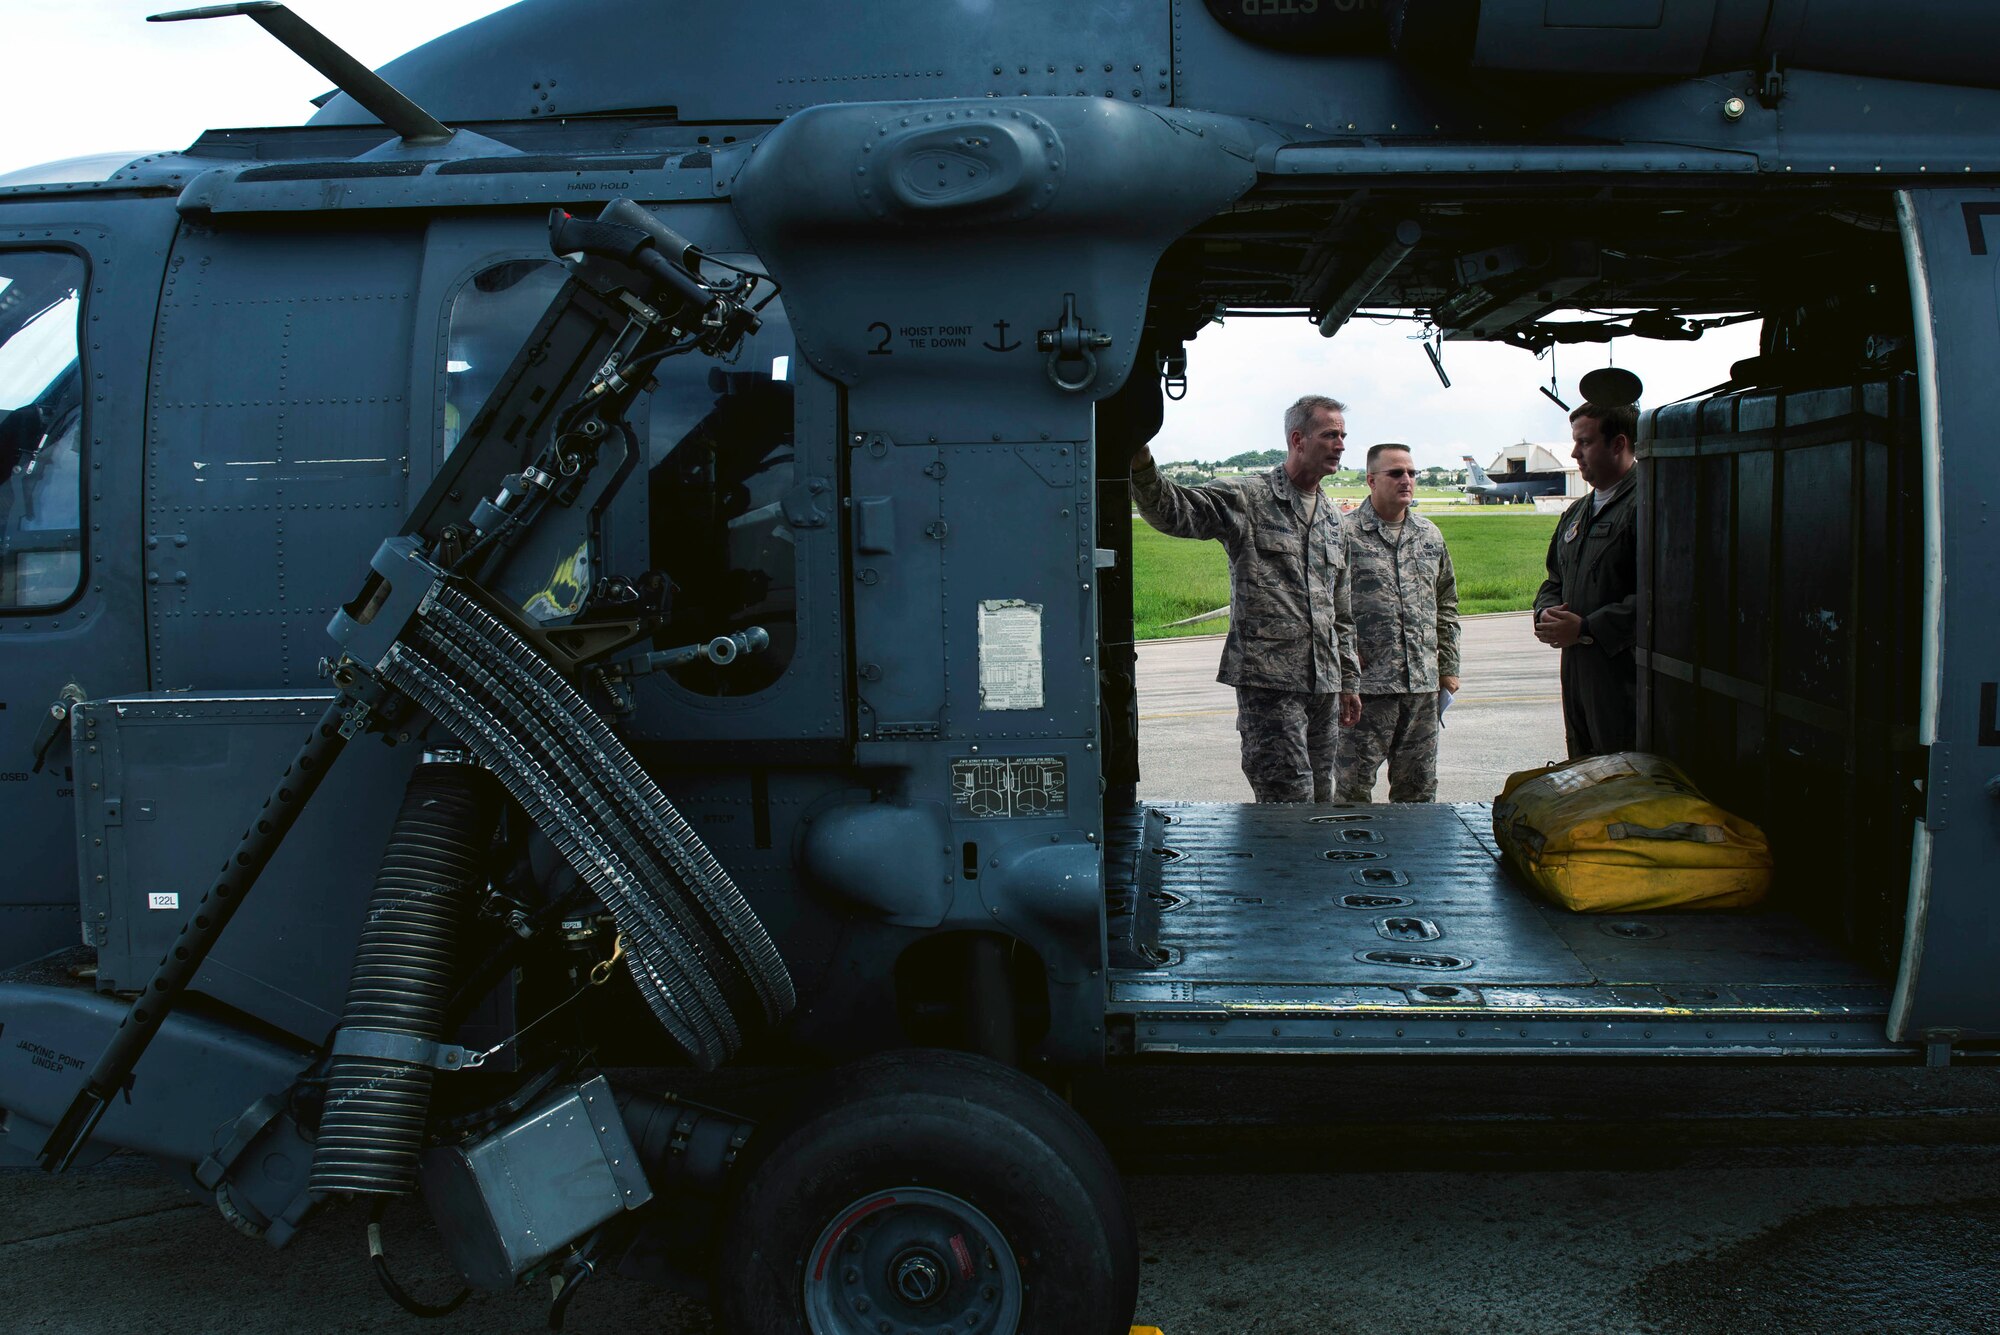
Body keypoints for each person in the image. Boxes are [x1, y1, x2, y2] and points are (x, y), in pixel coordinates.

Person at [1131, 395, 1362, 802]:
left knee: (1321, 797)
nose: (1341, 444)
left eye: (1343, 435)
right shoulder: (1249, 497)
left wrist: (1348, 681)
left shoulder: (1332, 517)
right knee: (1286, 798)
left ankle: (1312, 868)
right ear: (1298, 440)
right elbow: (1174, 510)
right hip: (1270, 684)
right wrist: (1139, 461)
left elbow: (1340, 611)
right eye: (1330, 435)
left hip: (1324, 688)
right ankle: (1280, 868)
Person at [1335, 443, 1460, 801]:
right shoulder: (1344, 535)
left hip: (1421, 687)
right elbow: (1324, 607)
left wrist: (1448, 668)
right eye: (1396, 473)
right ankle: (1355, 855)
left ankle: (1413, 857)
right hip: (1365, 691)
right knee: (1351, 789)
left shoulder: (1429, 536)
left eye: (1411, 473)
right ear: (1371, 480)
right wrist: (1341, 666)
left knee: (1418, 791)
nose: (1406, 480)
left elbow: (1446, 604)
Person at [1533, 400, 1640, 757]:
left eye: (1586, 442)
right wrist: (1546, 614)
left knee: (1620, 772)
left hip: (1624, 675)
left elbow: (1668, 598)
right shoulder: (1578, 512)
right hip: (1578, 669)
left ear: (1619, 444)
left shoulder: (1649, 503)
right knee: (1583, 767)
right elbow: (1554, 580)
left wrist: (1587, 628)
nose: (1576, 452)